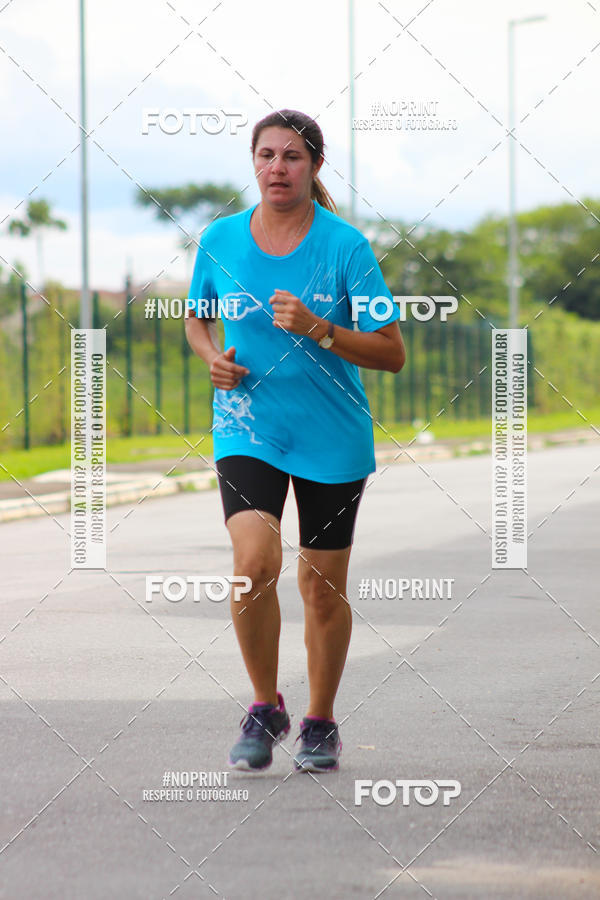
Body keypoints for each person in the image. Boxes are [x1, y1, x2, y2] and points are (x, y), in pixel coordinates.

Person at [185, 108, 405, 773]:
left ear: (313, 167)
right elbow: (198, 318)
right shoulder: (220, 239)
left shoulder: (345, 247)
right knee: (254, 565)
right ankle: (263, 705)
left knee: (320, 586)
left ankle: (319, 721)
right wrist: (211, 358)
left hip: (332, 437)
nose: (277, 167)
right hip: (248, 426)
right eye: (266, 155)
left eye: (291, 157)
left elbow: (392, 353)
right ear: (253, 163)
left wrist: (319, 328)